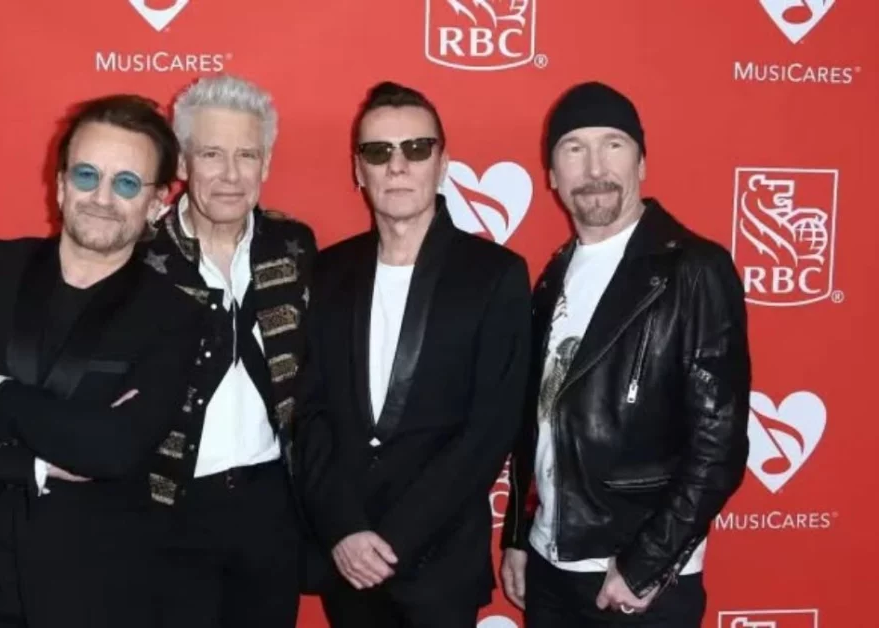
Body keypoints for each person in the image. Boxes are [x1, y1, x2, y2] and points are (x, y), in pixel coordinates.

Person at [0, 94, 205, 627]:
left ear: (156, 202)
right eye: (87, 175)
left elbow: (112, 449)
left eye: (127, 183)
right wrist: (35, 463)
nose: (101, 197)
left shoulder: (175, 315)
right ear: (60, 185)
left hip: (86, 592)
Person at [500, 81, 752, 627]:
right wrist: (520, 535)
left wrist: (645, 565)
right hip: (550, 568)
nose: (594, 167)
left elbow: (720, 445)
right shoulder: (552, 276)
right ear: (551, 175)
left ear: (642, 163)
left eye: (612, 144)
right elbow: (537, 423)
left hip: (636, 583)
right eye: (574, 148)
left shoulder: (693, 270)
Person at [294, 81, 532, 628]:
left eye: (416, 148)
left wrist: (395, 540)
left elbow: (491, 429)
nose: (397, 165)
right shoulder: (328, 271)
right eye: (378, 151)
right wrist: (344, 529)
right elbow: (310, 412)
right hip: (346, 561)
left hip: (438, 562)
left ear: (442, 164)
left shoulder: (494, 275)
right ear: (358, 170)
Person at [141, 74, 317, 628]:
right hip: (166, 508)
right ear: (183, 162)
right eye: (212, 154)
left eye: (247, 155)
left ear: (266, 164)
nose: (231, 175)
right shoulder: (141, 255)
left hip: (271, 507)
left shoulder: (293, 246)